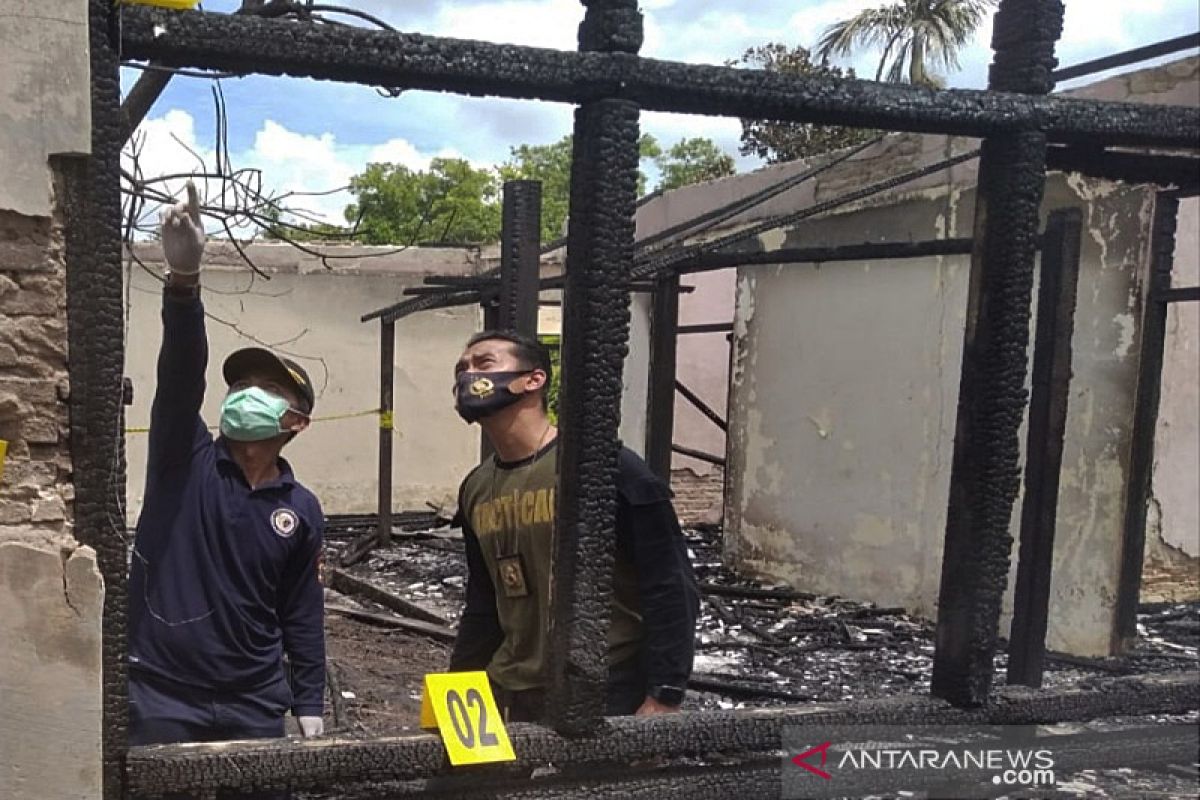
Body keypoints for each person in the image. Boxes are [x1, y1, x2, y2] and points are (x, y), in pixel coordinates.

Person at [127, 183, 326, 786]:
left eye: (267, 391)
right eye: (241, 386)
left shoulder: (302, 508)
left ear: (295, 421)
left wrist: (309, 700)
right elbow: (181, 373)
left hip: (255, 700)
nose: (244, 397)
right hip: (162, 695)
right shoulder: (181, 460)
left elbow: (300, 607)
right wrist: (184, 282)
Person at [447, 330, 699, 721]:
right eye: (461, 369)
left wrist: (665, 692)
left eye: (484, 364)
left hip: (605, 686)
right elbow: (483, 603)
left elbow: (669, 584)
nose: (467, 376)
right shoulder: (476, 489)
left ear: (533, 380)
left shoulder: (605, 468)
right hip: (511, 688)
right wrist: (458, 692)